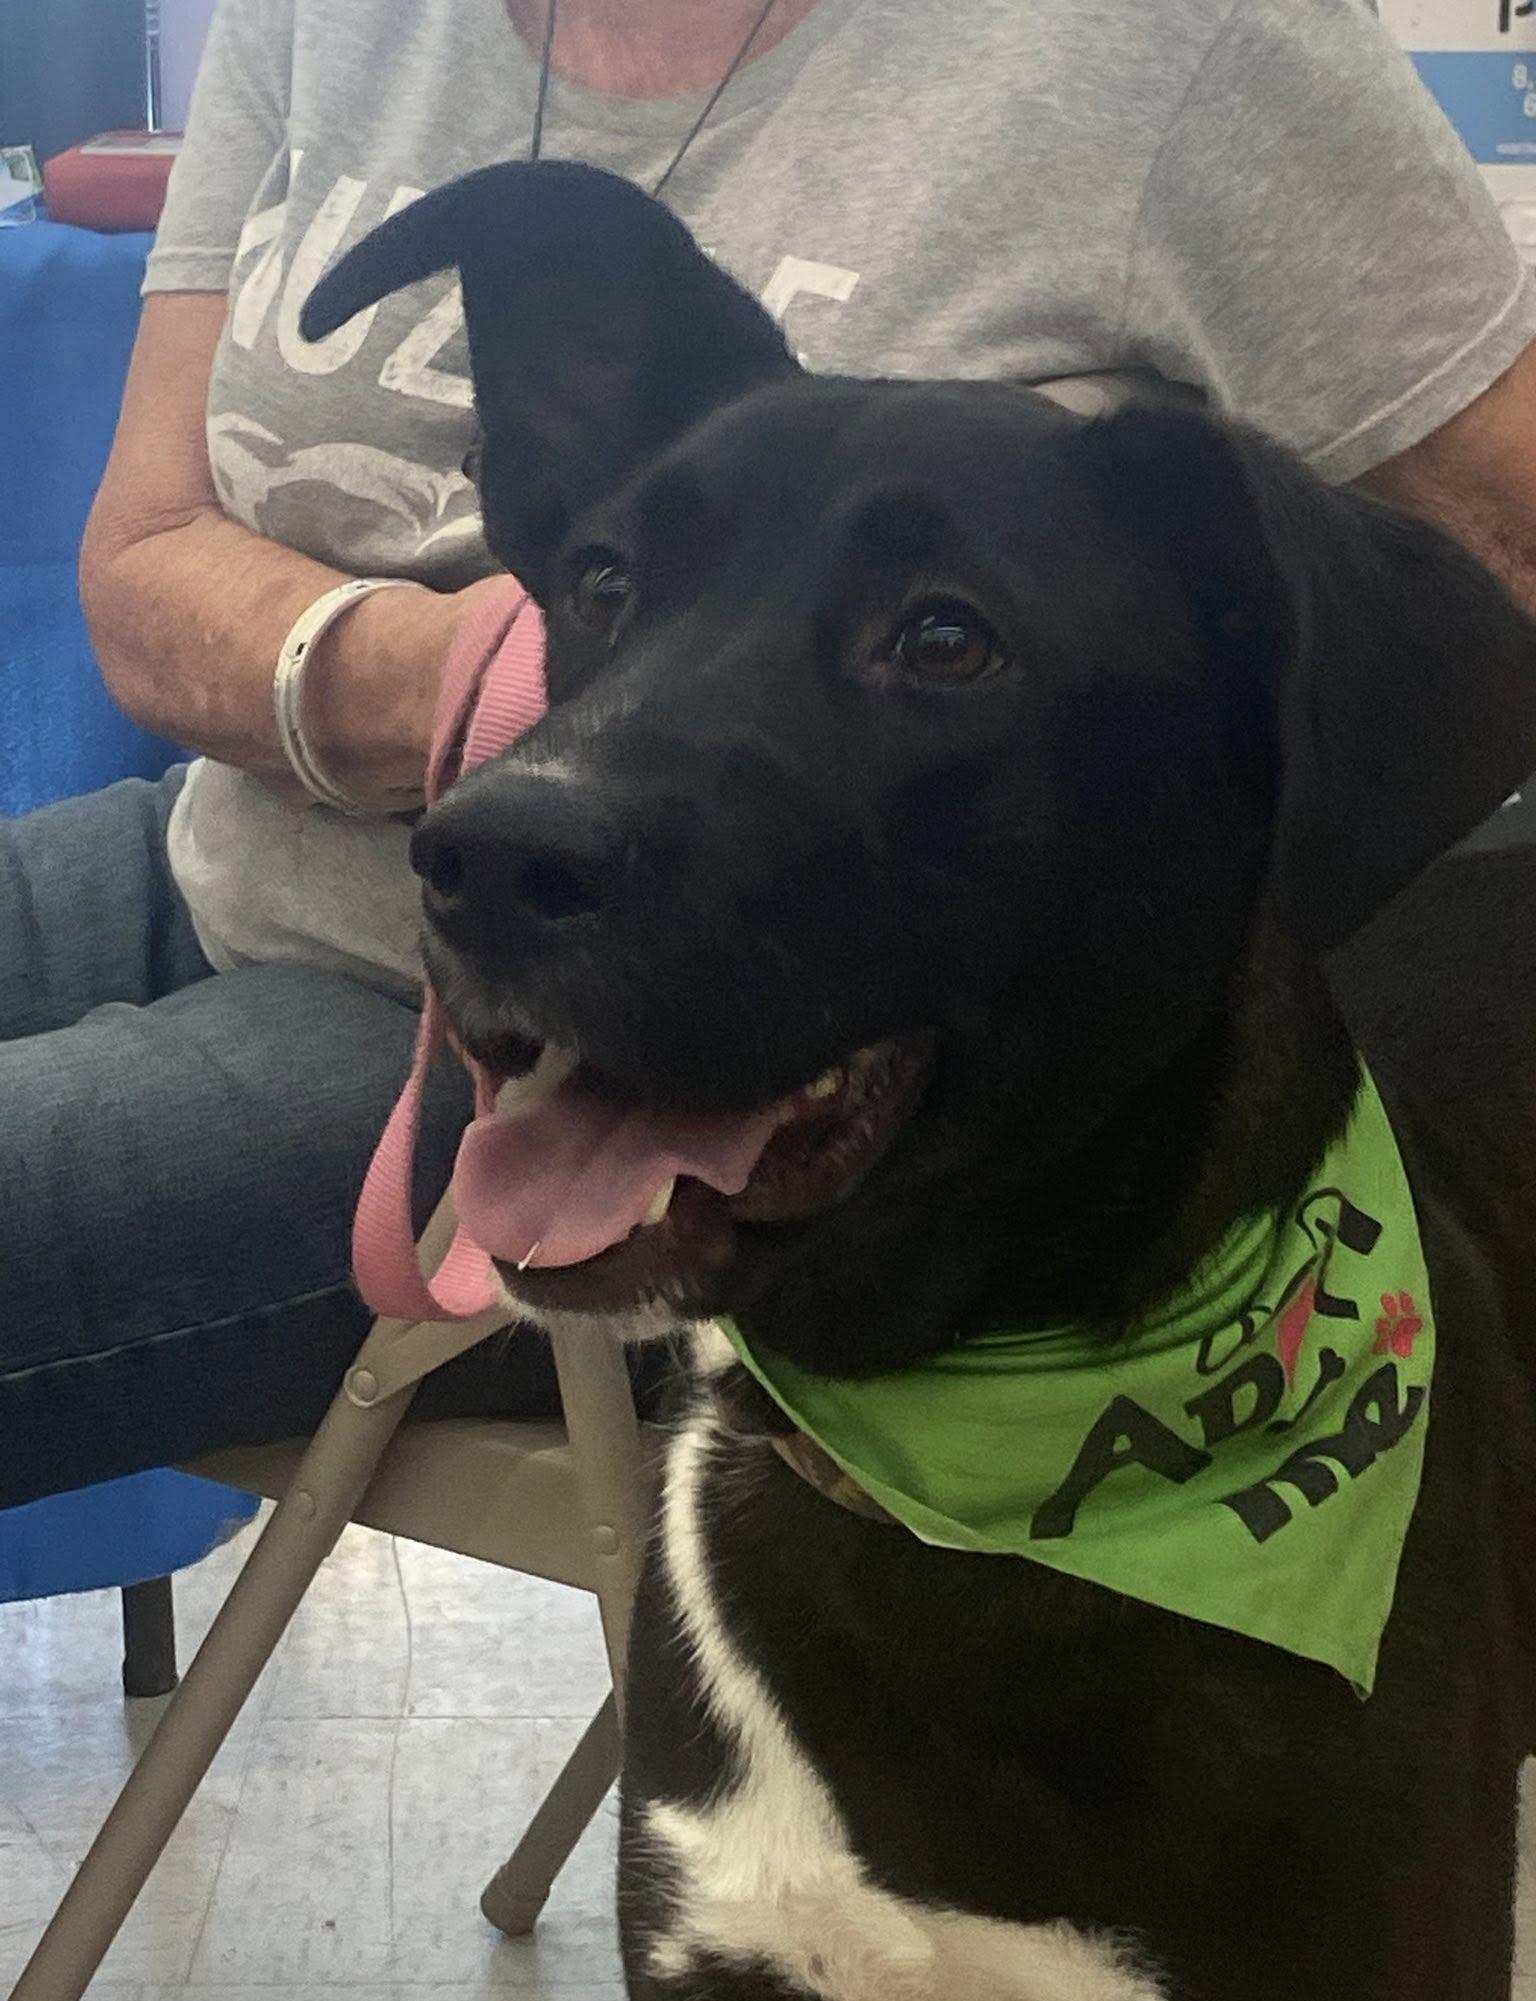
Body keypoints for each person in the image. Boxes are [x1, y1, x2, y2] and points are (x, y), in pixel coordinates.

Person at [4, 0, 1536, 1507]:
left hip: (616, 1048)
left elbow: (1499, 577)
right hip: (221, 845)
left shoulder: (1190, 42)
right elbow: (143, 559)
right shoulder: (326, 20)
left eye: (937, 640)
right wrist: (472, 675)